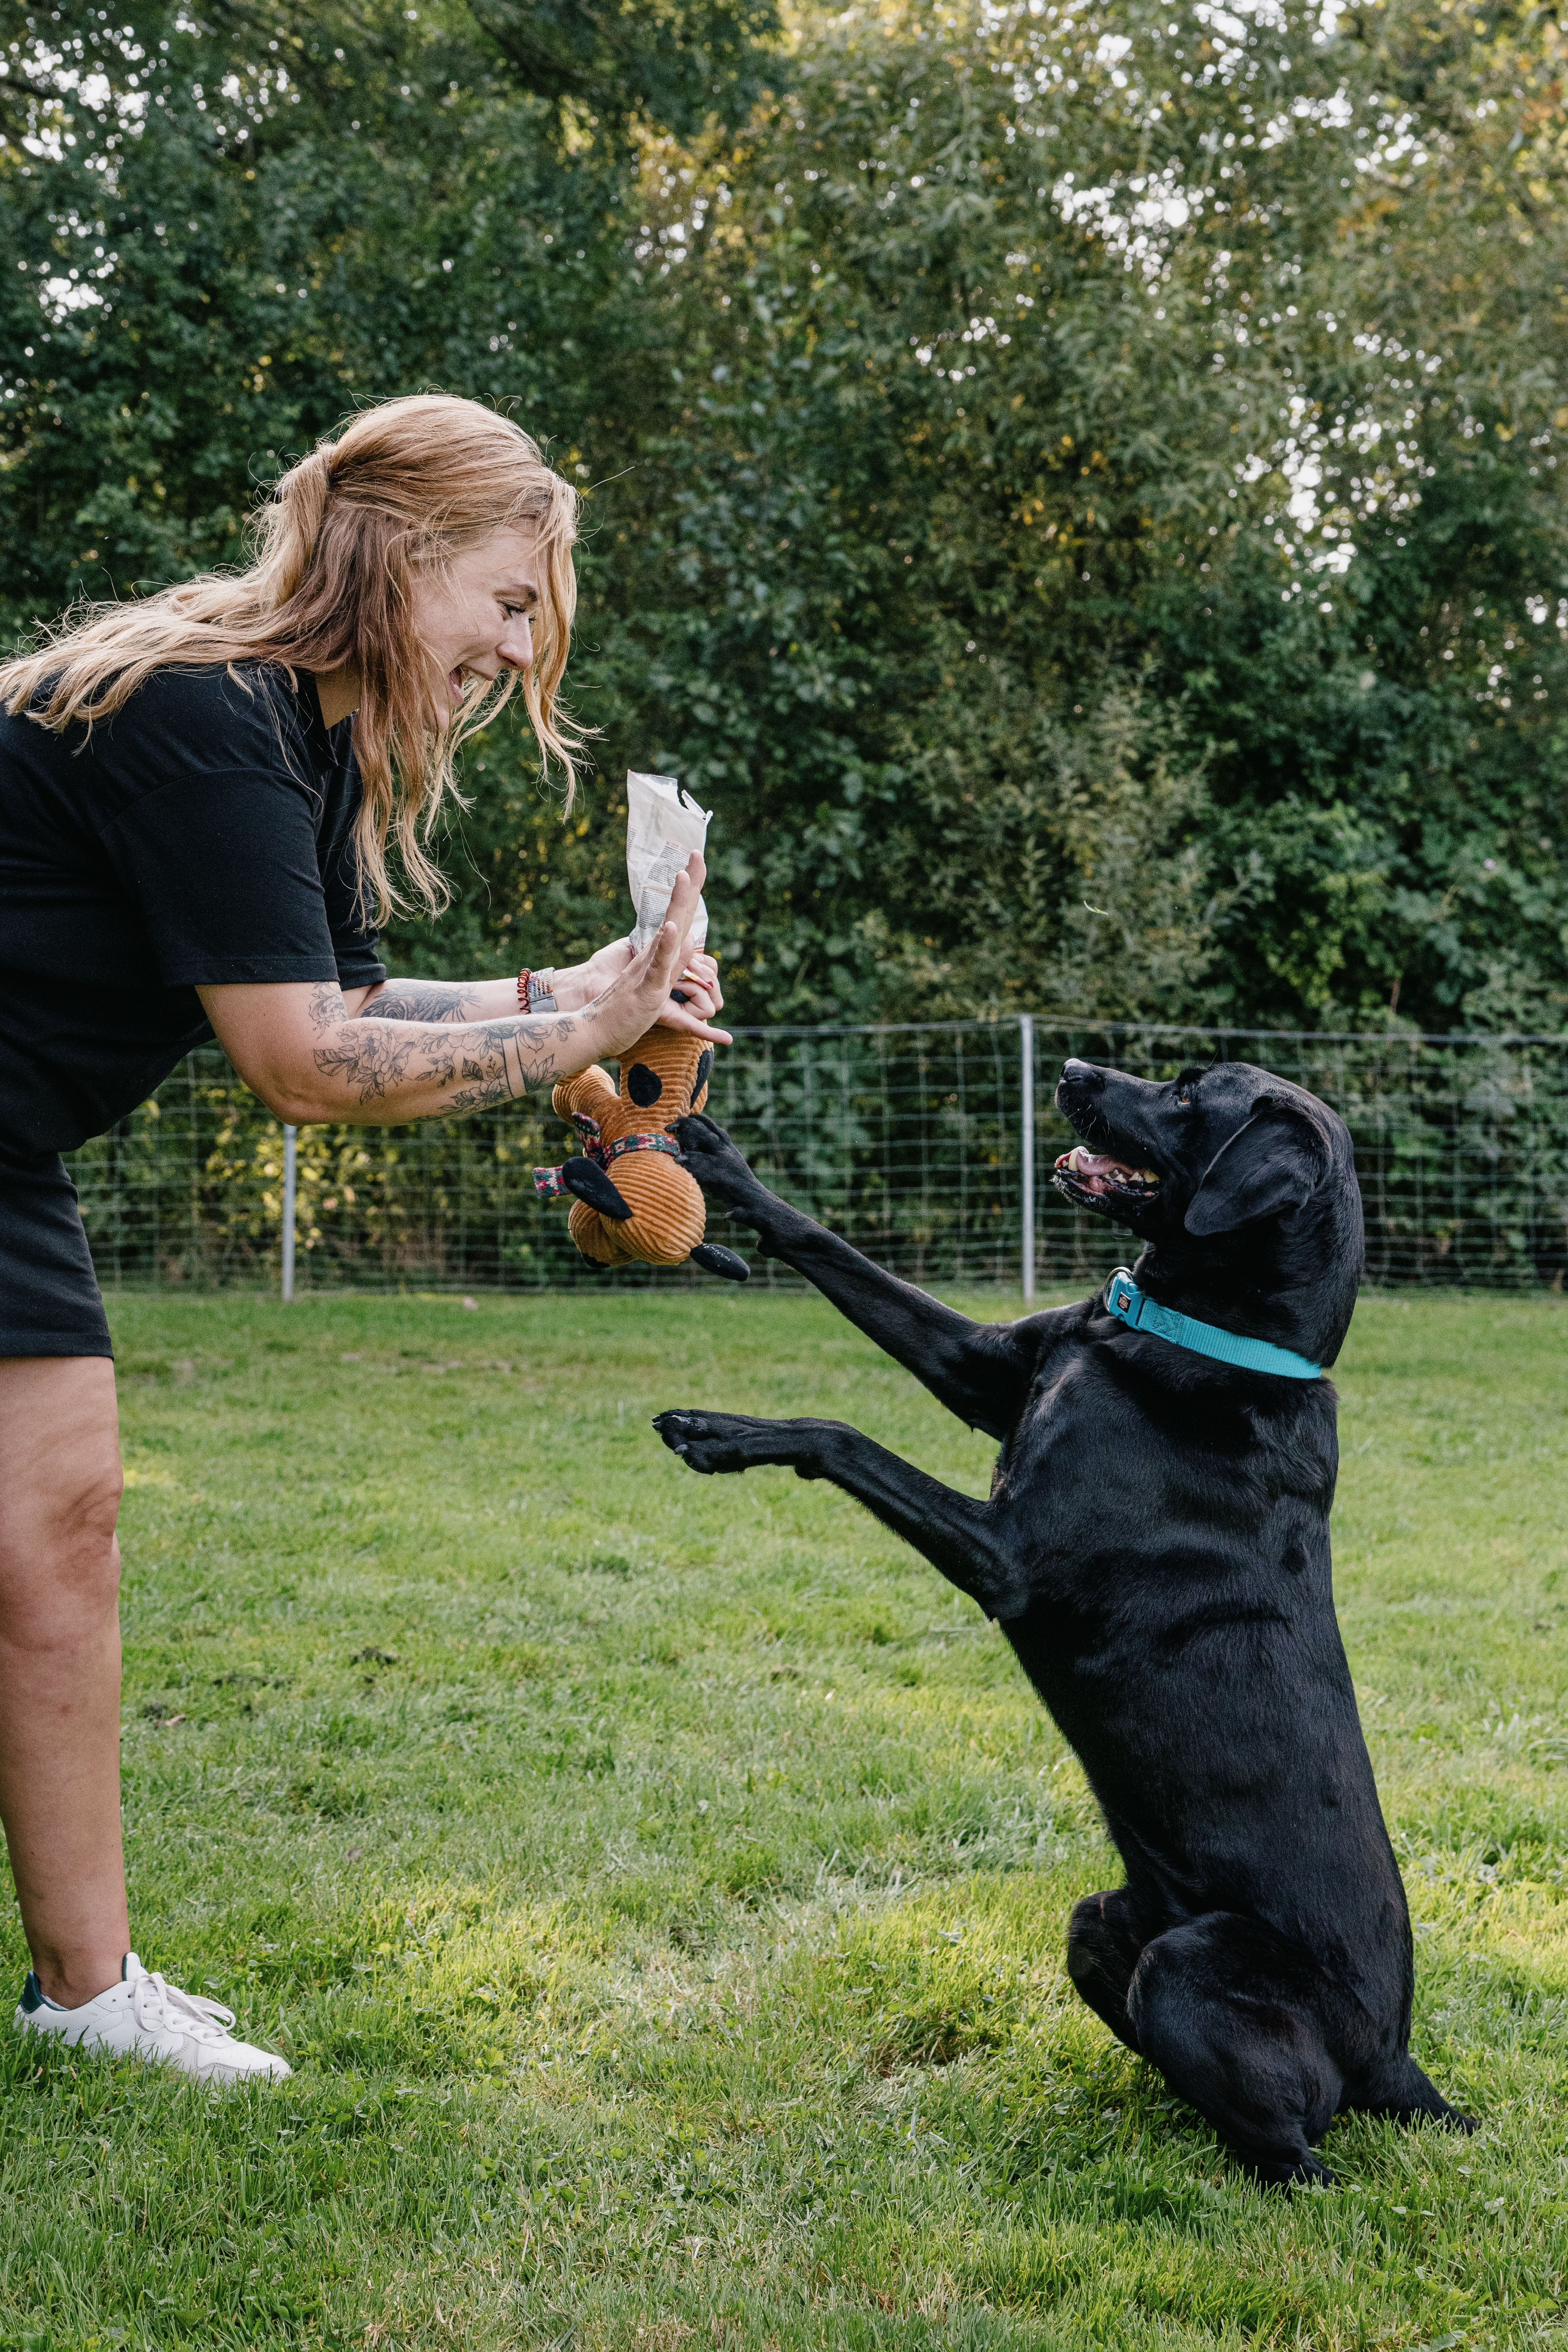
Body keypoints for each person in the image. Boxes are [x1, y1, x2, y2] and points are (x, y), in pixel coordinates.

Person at [0, 393, 726, 2082]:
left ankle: (87, 1997)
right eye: (512, 597)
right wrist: (569, 1034)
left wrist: (583, 998)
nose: (517, 646)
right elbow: (305, 1067)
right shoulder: (201, 708)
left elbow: (348, 997)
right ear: (399, 554)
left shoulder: (297, 743)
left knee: (63, 1538)